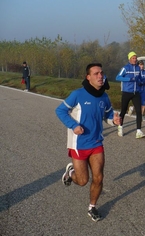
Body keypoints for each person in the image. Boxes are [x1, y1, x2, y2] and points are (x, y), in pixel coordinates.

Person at [55, 63, 121, 222]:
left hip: (97, 143)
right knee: (83, 181)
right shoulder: (77, 94)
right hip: (79, 144)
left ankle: (92, 206)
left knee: (98, 178)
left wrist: (114, 121)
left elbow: (108, 116)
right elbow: (60, 110)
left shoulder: (104, 97)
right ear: (88, 77)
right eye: (96, 73)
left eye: (102, 73)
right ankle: (71, 173)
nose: (100, 76)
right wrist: (73, 126)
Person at [115, 51, 145, 138]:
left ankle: (139, 131)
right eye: (133, 58)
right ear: (129, 59)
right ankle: (120, 126)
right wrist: (128, 79)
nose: (135, 59)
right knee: (123, 110)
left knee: (139, 111)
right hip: (127, 92)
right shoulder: (125, 68)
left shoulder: (138, 68)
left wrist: (141, 82)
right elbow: (118, 77)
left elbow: (139, 78)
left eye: (136, 58)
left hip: (136, 92)